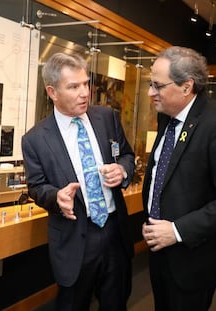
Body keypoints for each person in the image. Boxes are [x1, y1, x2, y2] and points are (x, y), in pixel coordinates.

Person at [21, 52, 135, 311]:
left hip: (115, 231)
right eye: (74, 87)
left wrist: (123, 170)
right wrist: (56, 198)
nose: (84, 93)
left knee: (117, 304)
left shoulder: (107, 117)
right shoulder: (35, 139)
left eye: (86, 83)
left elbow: (127, 155)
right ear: (52, 92)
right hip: (75, 239)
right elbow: (37, 187)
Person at [142, 46, 216, 311]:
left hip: (195, 256)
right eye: (150, 83)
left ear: (186, 86)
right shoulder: (166, 116)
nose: (150, 92)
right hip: (160, 249)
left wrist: (177, 231)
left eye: (157, 85)